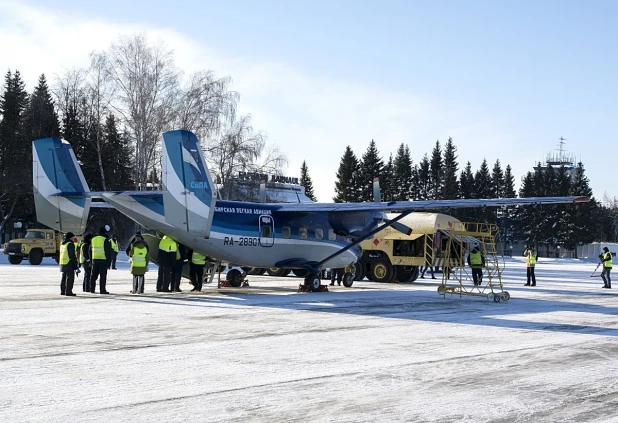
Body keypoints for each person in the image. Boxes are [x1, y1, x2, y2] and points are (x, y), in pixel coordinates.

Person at [89, 225, 112, 294]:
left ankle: (92, 289)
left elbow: (90, 251)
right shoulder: (105, 240)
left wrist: (91, 260)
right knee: (102, 276)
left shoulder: (93, 239)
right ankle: (102, 290)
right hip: (103, 260)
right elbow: (107, 251)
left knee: (93, 275)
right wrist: (109, 262)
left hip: (94, 260)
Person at [59, 232, 78, 296]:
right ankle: (68, 291)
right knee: (70, 278)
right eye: (73, 237)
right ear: (70, 237)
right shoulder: (69, 244)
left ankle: (63, 291)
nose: (73, 238)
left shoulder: (62, 244)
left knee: (64, 277)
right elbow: (71, 254)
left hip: (62, 262)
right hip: (69, 262)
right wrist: (75, 261)